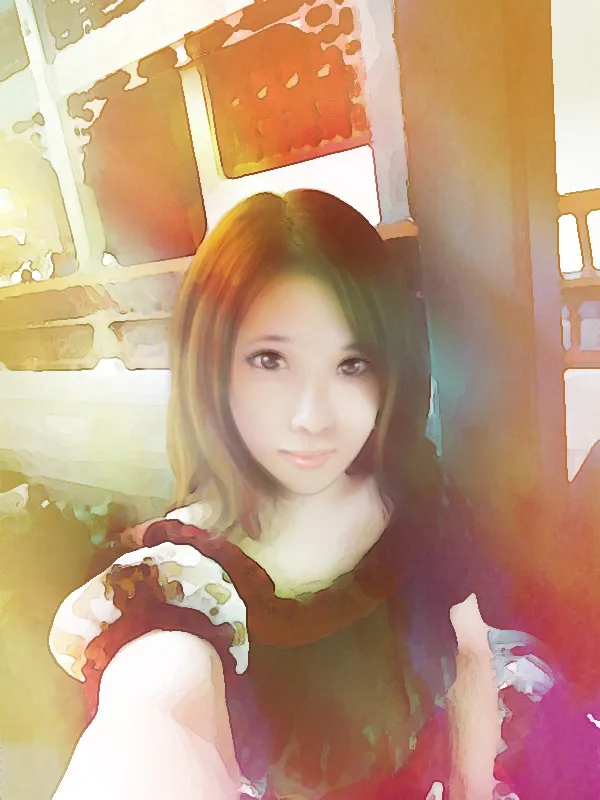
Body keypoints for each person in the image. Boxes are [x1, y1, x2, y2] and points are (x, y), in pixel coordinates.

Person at [48, 191, 560, 800]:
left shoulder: (418, 497)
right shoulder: (181, 589)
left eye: (352, 364)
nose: (313, 417)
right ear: (211, 366)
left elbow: (470, 654)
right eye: (270, 360)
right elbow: (154, 713)